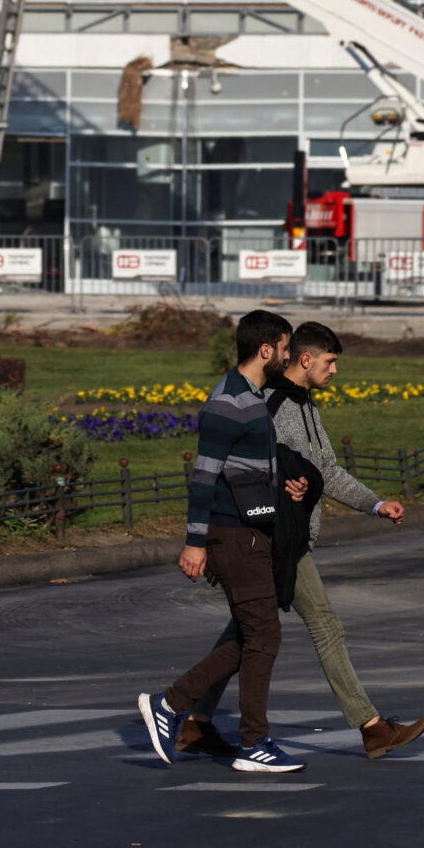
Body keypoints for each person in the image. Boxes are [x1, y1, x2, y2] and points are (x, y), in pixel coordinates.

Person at [183, 321, 424, 760]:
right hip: (276, 536)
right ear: (304, 359)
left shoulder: (306, 405)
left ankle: (193, 720)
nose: (335, 370)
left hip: (286, 534)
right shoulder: (274, 403)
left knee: (245, 630)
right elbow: (252, 465)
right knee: (325, 625)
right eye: (330, 361)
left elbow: (327, 470)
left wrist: (375, 505)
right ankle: (371, 727)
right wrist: (285, 487)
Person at [138, 310, 303, 774]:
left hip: (250, 532)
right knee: (264, 635)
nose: (288, 356)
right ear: (266, 350)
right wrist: (196, 543)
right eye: (285, 348)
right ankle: (251, 742)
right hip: (233, 537)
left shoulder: (250, 397)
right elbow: (203, 479)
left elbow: (246, 469)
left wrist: (284, 488)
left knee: (255, 635)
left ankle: (172, 706)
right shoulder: (228, 403)